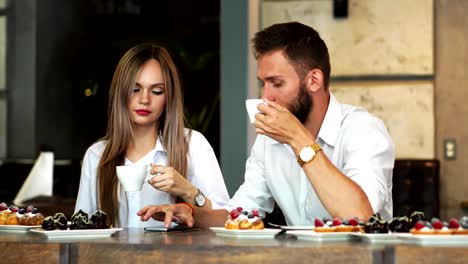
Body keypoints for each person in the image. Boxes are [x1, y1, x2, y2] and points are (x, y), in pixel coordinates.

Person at [138, 22, 395, 228]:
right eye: (263, 82)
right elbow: (239, 215)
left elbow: (361, 218)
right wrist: (191, 213)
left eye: (277, 83)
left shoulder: (363, 130)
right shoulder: (269, 142)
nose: (266, 96)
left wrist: (298, 139)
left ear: (314, 80)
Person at [75, 43, 230, 227]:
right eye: (135, 89)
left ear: (169, 97)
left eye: (157, 91)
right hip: (114, 256)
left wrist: (188, 190)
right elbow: (81, 227)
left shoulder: (193, 145)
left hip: (176, 256)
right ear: (120, 92)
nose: (145, 99)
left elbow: (225, 220)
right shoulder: (97, 155)